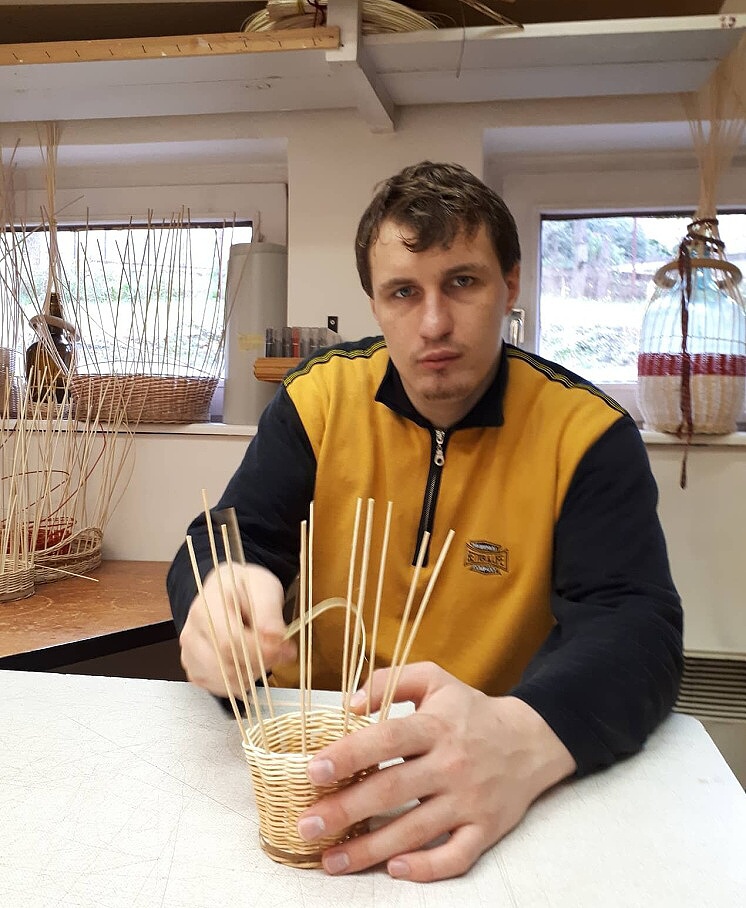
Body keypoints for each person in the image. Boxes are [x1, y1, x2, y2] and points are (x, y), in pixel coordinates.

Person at [167, 161, 683, 883]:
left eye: (463, 282)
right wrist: (218, 596)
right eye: (404, 292)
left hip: (482, 779)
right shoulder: (316, 401)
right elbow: (228, 538)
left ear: (511, 284)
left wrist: (525, 735)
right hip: (309, 775)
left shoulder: (586, 433)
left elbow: (636, 627)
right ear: (376, 305)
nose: (434, 323)